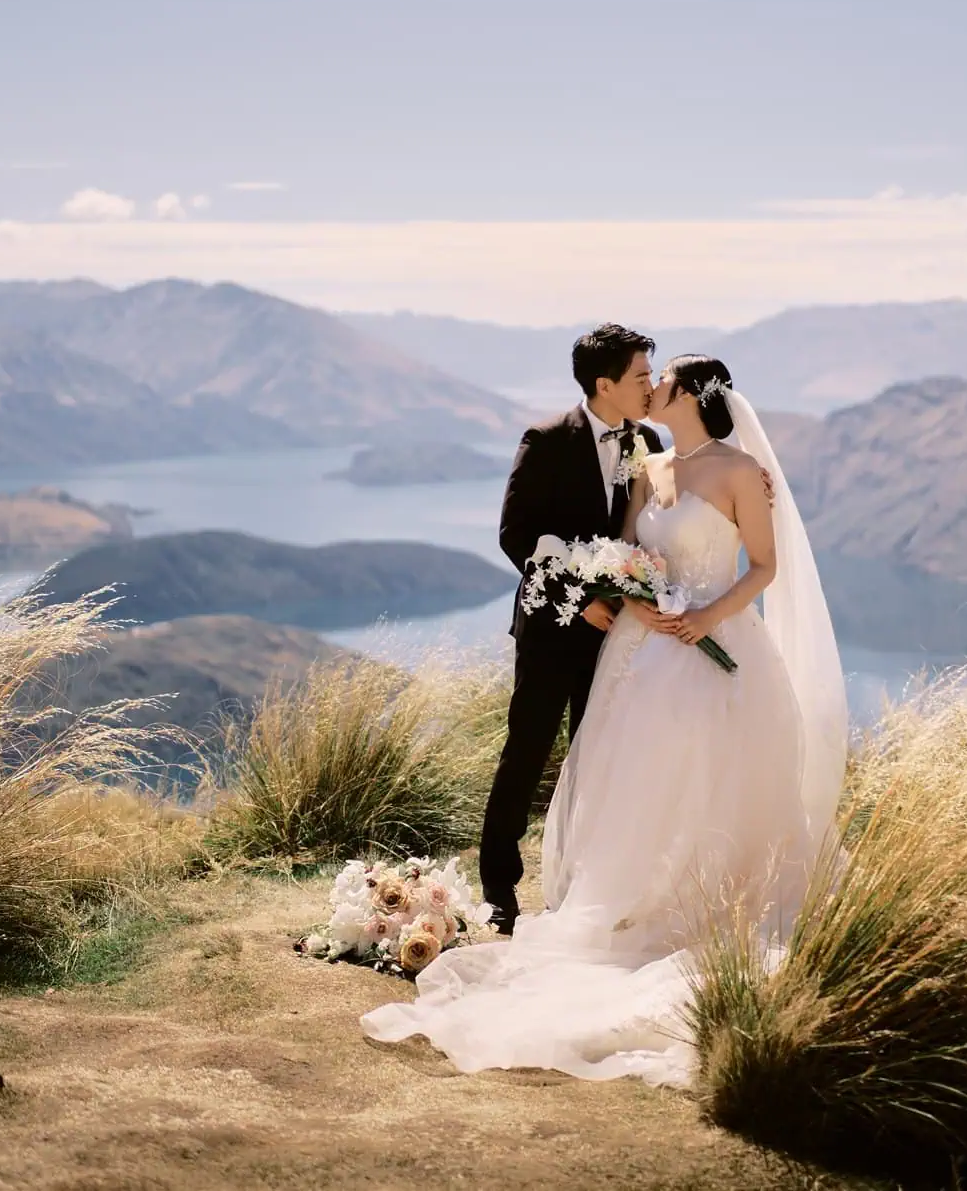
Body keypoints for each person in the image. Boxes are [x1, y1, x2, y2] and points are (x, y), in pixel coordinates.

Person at [363, 354, 846, 1087]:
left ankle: (705, 897)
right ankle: (626, 901)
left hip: (713, 644)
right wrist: (629, 594)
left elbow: (764, 567)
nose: (652, 386)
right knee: (632, 777)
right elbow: (627, 550)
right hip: (642, 648)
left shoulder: (741, 471)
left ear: (693, 395)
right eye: (645, 375)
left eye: (665, 379)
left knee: (710, 779)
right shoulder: (649, 467)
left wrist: (705, 615)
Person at [476, 323, 666, 933]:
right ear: (604, 383)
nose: (650, 386)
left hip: (618, 638)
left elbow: (664, 513)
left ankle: (581, 889)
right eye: (641, 377)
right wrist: (583, 598)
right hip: (554, 628)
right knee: (527, 755)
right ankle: (499, 892)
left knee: (597, 760)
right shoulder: (549, 439)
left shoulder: (649, 439)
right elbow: (516, 535)